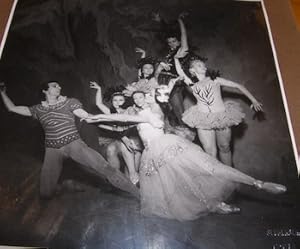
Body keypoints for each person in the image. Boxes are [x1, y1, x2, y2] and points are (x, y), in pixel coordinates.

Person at [83, 88, 286, 221]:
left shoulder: (153, 109)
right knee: (181, 183)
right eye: (134, 98)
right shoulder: (134, 115)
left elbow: (158, 102)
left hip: (168, 146)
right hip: (153, 154)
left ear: (146, 97)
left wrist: (159, 96)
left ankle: (257, 183)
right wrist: (94, 118)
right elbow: (115, 117)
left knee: (207, 169)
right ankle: (214, 205)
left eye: (140, 97)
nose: (137, 100)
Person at [0, 81, 139, 199]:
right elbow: (12, 108)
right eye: (55, 86)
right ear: (45, 90)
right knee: (45, 192)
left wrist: (109, 122)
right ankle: (64, 187)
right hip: (52, 149)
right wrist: (2, 92)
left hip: (75, 144)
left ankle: (138, 195)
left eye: (59, 86)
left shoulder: (70, 102)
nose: (59, 87)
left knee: (105, 168)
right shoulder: (38, 109)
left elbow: (84, 115)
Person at [174, 55, 263, 166]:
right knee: (210, 152)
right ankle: (220, 179)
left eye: (203, 65)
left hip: (221, 117)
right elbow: (180, 72)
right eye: (199, 65)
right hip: (203, 120)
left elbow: (238, 86)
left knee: (224, 147)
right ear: (192, 70)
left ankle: (231, 175)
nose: (203, 66)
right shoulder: (192, 85)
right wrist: (176, 58)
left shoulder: (214, 80)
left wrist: (253, 101)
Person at [90, 81, 141, 184]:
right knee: (111, 149)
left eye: (121, 100)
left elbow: (132, 128)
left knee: (131, 171)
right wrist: (99, 89)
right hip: (120, 139)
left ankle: (132, 175)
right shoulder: (110, 112)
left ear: (125, 100)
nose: (117, 102)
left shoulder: (130, 110)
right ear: (112, 101)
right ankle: (116, 178)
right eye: (115, 100)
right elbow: (98, 104)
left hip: (134, 139)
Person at [153, 12, 194, 125]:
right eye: (169, 42)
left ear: (179, 41)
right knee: (167, 111)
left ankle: (188, 137)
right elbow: (168, 32)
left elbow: (183, 35)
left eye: (174, 41)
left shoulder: (182, 51)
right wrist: (160, 21)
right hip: (162, 82)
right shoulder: (169, 54)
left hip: (174, 83)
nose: (171, 44)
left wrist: (180, 20)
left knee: (179, 112)